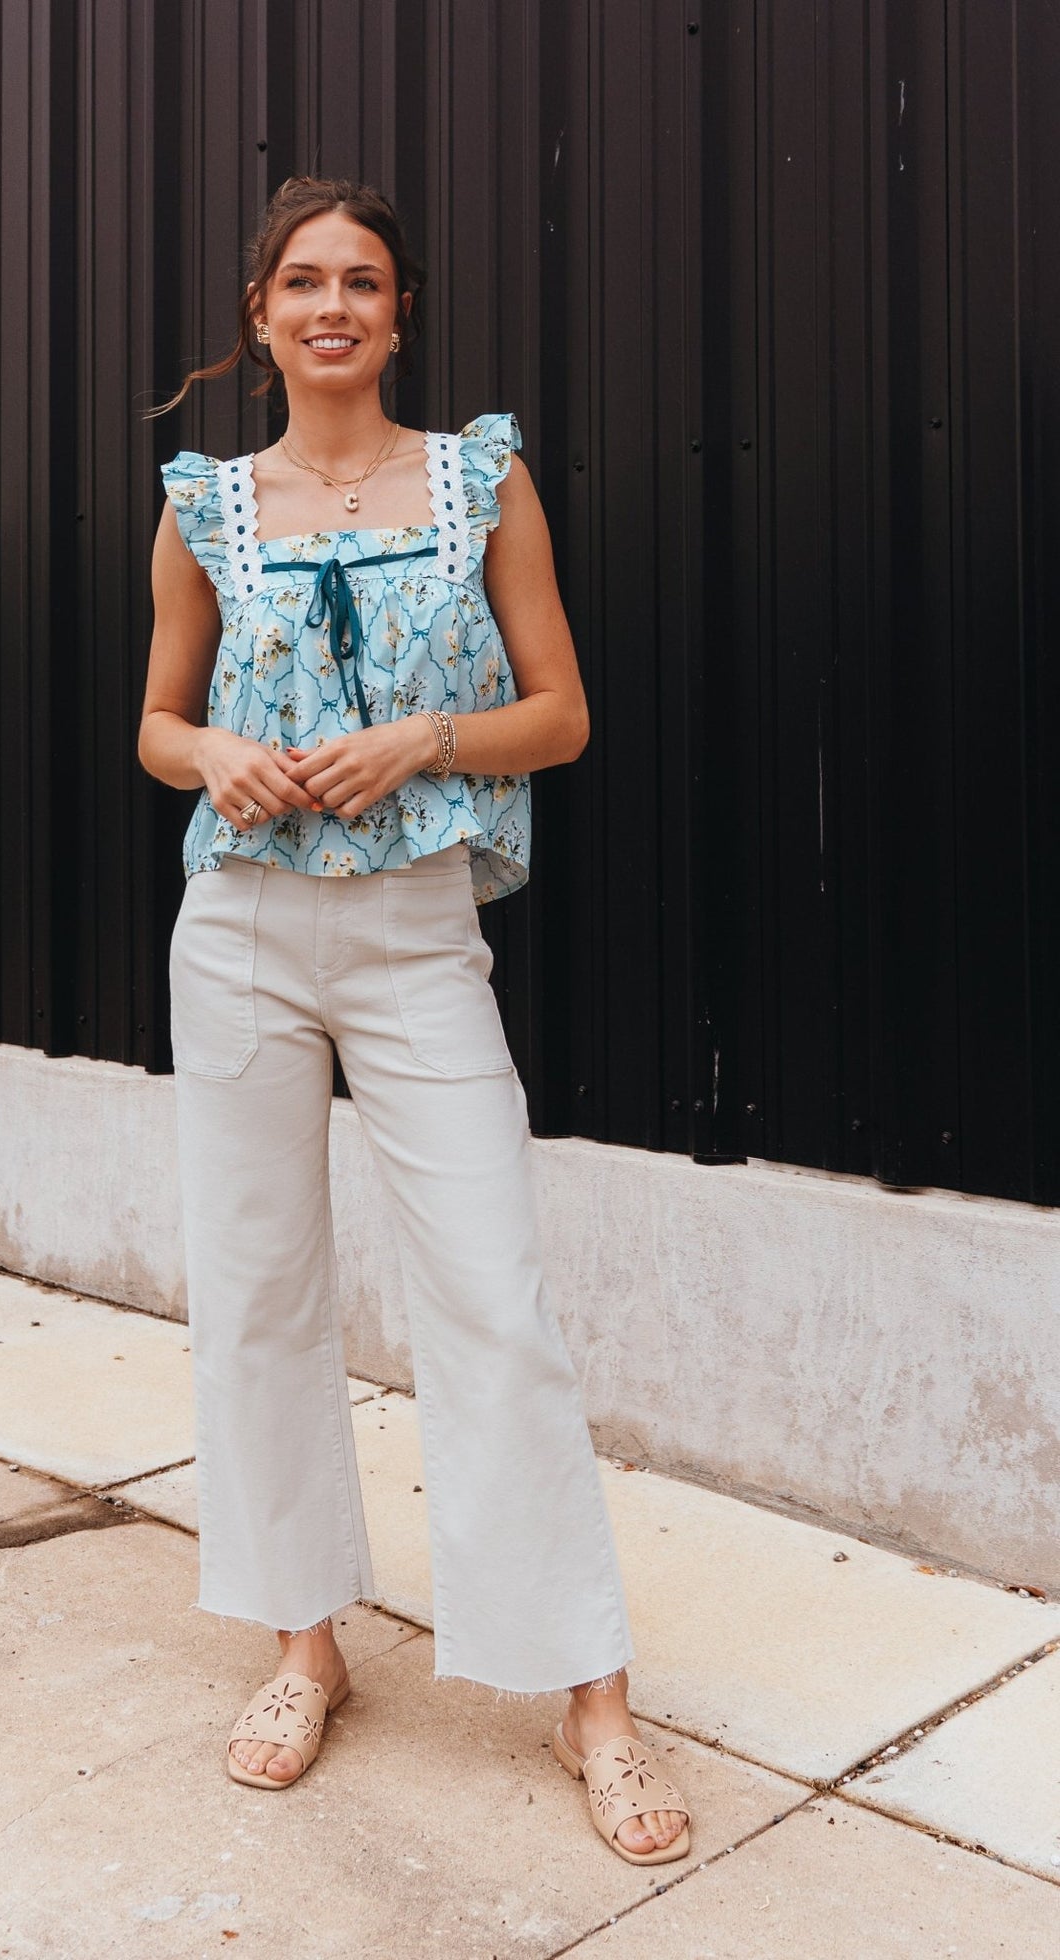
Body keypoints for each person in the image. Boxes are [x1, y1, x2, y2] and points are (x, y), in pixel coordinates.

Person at [137, 176, 690, 1866]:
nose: (331, 307)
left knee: (495, 1302)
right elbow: (156, 724)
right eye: (302, 281)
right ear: (259, 315)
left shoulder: (479, 479)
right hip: (236, 929)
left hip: (412, 931)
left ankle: (589, 1687)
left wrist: (423, 744)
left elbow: (565, 716)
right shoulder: (206, 506)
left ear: (397, 312)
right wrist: (219, 756)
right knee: (255, 1296)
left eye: (361, 283)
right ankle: (306, 1643)